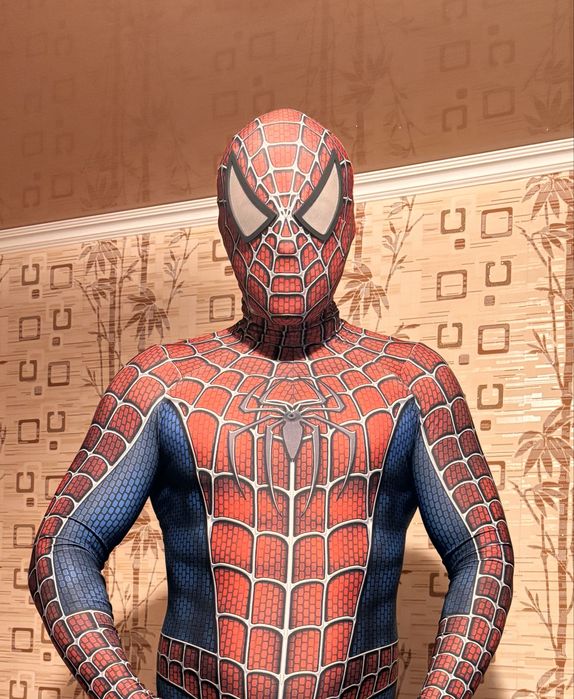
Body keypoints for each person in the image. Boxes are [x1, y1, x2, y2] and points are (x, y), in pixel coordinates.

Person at [28, 108, 514, 699]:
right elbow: (63, 546)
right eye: (257, 215)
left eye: (311, 214)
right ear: (226, 227)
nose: (285, 244)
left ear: (347, 222)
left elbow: (484, 553)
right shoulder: (161, 382)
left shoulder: (411, 382)